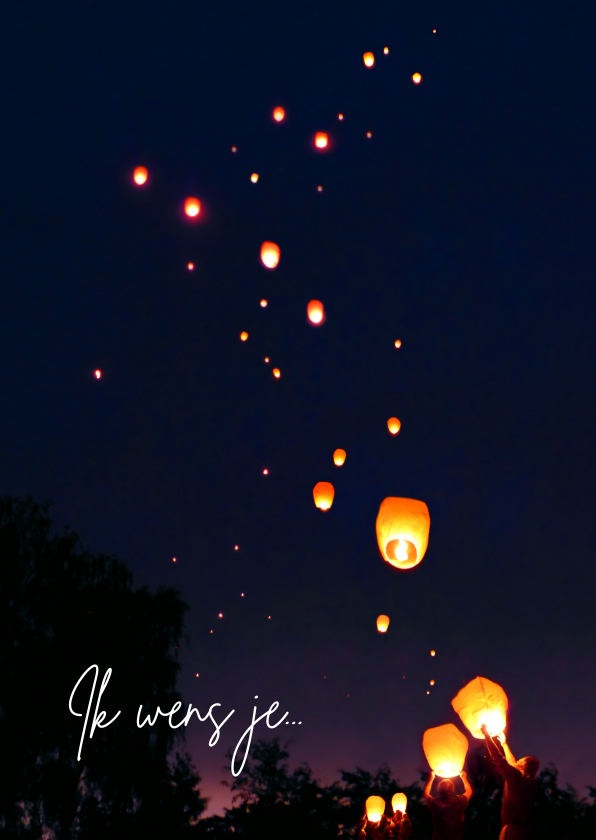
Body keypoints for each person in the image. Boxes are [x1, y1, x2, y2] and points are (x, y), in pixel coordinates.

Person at [481, 723, 539, 840]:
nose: (517, 761)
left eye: (519, 761)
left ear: (522, 766)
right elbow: (513, 764)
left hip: (513, 831)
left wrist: (487, 736)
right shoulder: (531, 782)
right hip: (526, 831)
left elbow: (497, 757)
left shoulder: (517, 777)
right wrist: (504, 743)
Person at [423, 770, 472, 840]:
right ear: (452, 790)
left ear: (439, 790)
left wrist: (431, 778)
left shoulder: (435, 803)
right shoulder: (459, 802)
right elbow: (469, 792)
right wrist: (464, 778)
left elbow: (426, 794)